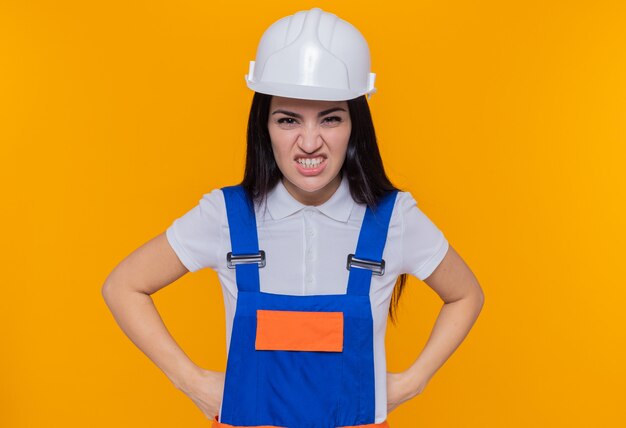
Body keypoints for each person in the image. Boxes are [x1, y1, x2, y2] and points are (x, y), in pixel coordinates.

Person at [102, 7, 484, 428]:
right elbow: (123, 286)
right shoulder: (226, 217)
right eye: (288, 119)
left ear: (355, 126)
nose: (309, 142)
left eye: (330, 118)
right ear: (263, 126)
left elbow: (466, 295)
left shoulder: (392, 219)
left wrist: (411, 383)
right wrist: (192, 382)